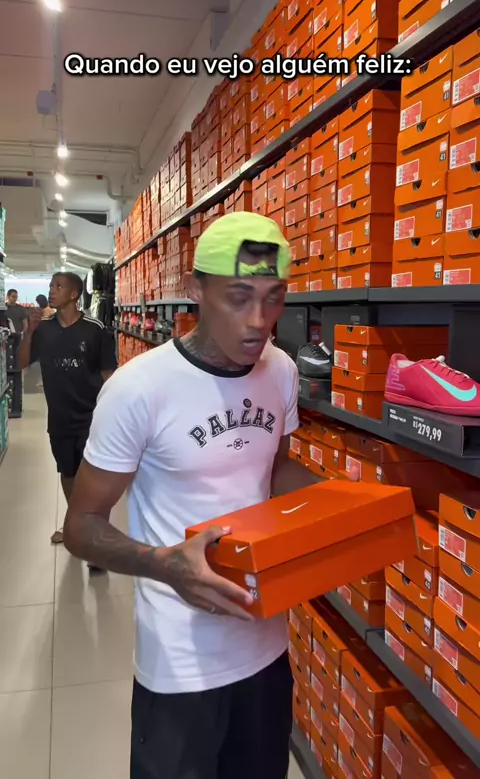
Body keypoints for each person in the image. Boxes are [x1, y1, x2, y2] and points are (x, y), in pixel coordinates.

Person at [63, 213, 358, 779]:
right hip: (180, 662)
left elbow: (272, 467)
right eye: (239, 297)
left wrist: (346, 507)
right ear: (195, 289)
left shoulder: (281, 371)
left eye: (274, 298)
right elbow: (82, 525)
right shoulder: (138, 389)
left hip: (266, 643)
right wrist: (164, 564)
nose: (259, 321)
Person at [18, 272, 117, 545]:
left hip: (92, 417)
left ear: (74, 294)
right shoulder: (44, 329)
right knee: (68, 472)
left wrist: (112, 416)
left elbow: (109, 375)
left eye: (58, 286)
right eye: (51, 285)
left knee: (93, 478)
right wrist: (29, 332)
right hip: (59, 418)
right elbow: (22, 363)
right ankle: (75, 522)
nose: (52, 290)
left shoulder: (94, 329)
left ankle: (96, 532)